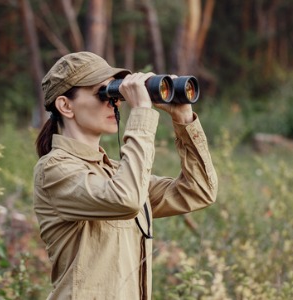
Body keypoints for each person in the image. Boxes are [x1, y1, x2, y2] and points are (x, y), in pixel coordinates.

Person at [33, 51, 218, 299]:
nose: (115, 102)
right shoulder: (53, 170)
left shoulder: (116, 172)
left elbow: (199, 191)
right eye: (104, 93)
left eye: (116, 93)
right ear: (65, 106)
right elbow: (127, 199)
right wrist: (141, 112)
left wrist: (183, 119)